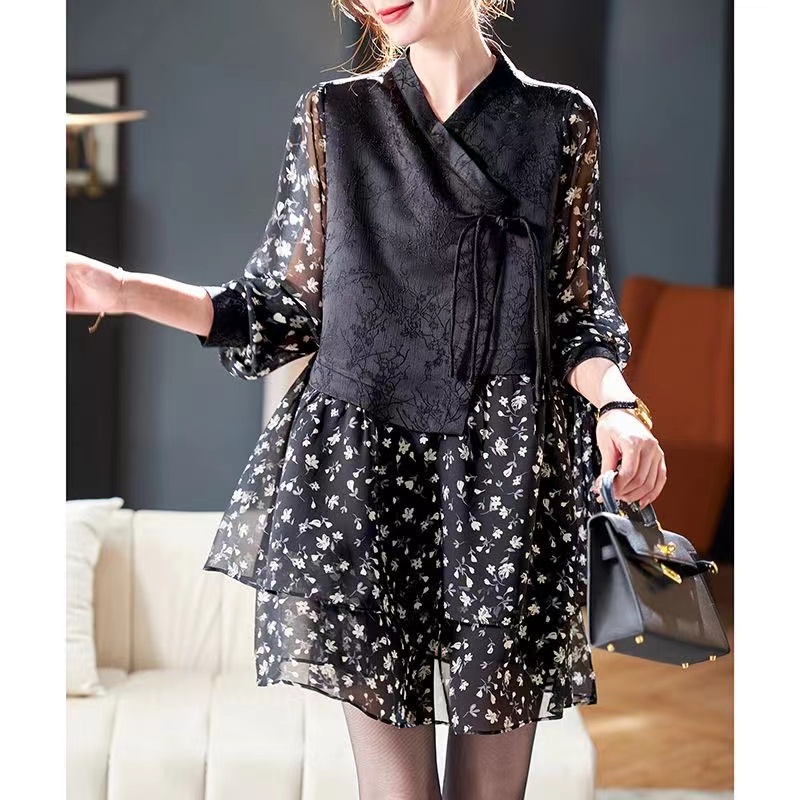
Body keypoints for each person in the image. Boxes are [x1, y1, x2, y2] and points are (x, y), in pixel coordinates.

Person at [66, 1, 667, 798]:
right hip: (366, 474)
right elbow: (278, 310)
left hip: (509, 478)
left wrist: (619, 406)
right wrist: (121, 290)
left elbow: (576, 317)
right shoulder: (335, 118)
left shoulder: (560, 122)